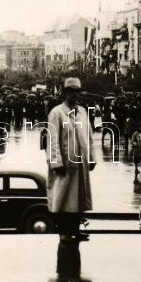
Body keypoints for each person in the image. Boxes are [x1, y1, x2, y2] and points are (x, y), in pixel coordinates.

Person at [45, 77, 97, 242]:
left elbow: (88, 136)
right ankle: (64, 232)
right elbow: (52, 139)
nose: (75, 95)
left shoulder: (82, 112)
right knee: (64, 198)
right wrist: (56, 162)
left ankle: (75, 229)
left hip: (79, 164)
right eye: (71, 92)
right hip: (65, 164)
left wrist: (91, 158)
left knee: (78, 198)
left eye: (77, 92)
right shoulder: (57, 113)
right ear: (65, 93)